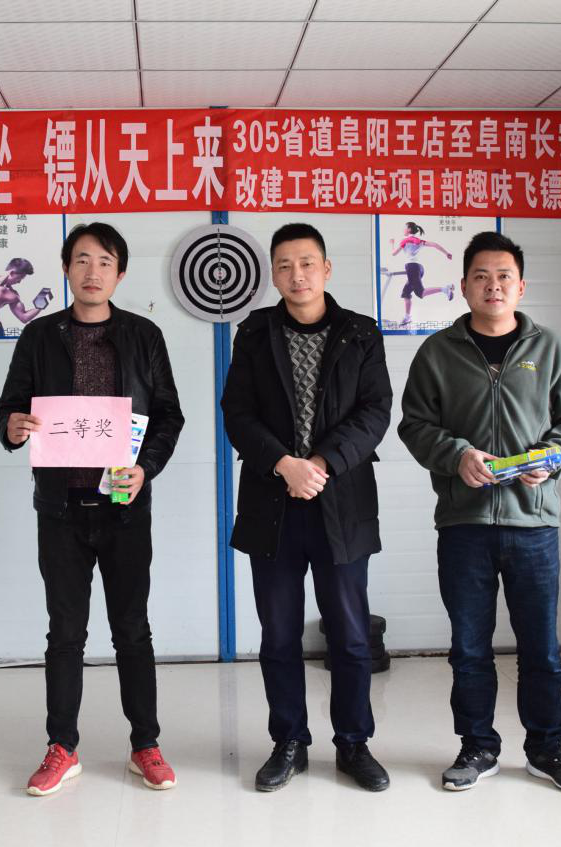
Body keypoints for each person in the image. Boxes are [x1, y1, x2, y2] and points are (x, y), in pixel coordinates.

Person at [397, 231, 561, 794]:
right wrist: (456, 454)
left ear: (521, 286)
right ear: (463, 286)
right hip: (464, 524)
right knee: (469, 648)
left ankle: (547, 747)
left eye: (504, 276)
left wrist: (552, 459)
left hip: (533, 524)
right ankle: (477, 746)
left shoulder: (551, 348)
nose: (493, 286)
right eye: (481, 277)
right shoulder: (438, 352)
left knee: (542, 648)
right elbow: (414, 424)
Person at [0, 223, 185, 796]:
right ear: (66, 268)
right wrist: (12, 426)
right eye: (81, 260)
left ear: (120, 273)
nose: (92, 271)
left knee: (132, 629)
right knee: (65, 633)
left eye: (104, 261)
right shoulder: (39, 337)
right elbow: (10, 406)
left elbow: (169, 415)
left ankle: (145, 745)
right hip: (60, 510)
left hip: (124, 507)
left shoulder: (143, 336)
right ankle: (62, 747)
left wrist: (146, 467)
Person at [222, 222, 393, 793]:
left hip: (340, 501)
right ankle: (289, 742)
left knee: (350, 634)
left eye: (307, 263)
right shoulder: (254, 333)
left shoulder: (360, 333)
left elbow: (375, 411)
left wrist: (319, 464)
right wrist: (284, 465)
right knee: (278, 634)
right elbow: (237, 413)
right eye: (285, 266)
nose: (297, 275)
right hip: (273, 502)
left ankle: (354, 743)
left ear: (326, 269)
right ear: (273, 275)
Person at [390, 221, 452, 326]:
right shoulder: (418, 241)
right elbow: (434, 245)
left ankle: (445, 289)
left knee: (420, 292)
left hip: (412, 267)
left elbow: (393, 253)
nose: (403, 230)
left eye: (405, 228)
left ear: (409, 229)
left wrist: (392, 243)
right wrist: (446, 253)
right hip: (419, 268)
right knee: (406, 292)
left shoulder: (405, 240)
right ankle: (407, 317)